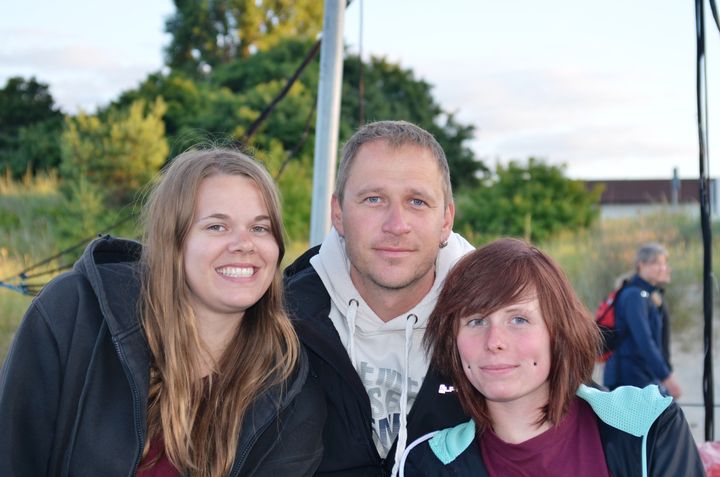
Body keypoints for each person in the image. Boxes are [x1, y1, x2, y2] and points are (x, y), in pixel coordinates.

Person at [0, 149, 325, 476]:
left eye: (260, 228)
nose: (244, 244)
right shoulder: (73, 314)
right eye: (216, 226)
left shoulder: (288, 387)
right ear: (173, 241)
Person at [400, 238, 704, 477]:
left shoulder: (650, 426)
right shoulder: (428, 465)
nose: (494, 342)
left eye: (518, 319)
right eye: (476, 321)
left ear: (557, 332)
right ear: (452, 341)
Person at [284, 120, 474, 476]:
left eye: (417, 201)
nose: (396, 224)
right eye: (373, 199)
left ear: (446, 219)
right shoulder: (278, 323)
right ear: (338, 212)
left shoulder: (499, 317)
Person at [603, 242, 681, 398]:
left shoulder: (649, 295)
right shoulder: (634, 296)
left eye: (664, 263)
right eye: (656, 263)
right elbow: (644, 341)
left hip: (642, 375)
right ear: (641, 265)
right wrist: (667, 377)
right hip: (631, 378)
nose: (663, 268)